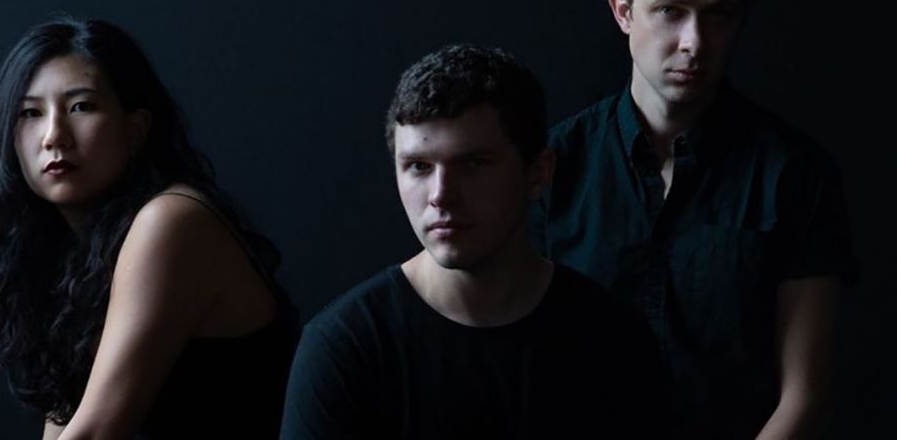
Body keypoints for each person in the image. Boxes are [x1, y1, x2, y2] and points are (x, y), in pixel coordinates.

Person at [532, 0, 856, 438]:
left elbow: (806, 397)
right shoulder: (549, 166)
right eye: (671, 11)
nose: (694, 42)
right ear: (622, 10)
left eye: (718, 14)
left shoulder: (796, 173)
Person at [281, 44, 664, 439]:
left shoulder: (613, 340)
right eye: (419, 167)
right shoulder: (344, 349)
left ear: (538, 173)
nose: (440, 195)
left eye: (473, 164)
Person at [0, 17, 298, 439]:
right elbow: (64, 425)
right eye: (30, 113)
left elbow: (93, 433)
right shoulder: (76, 257)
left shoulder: (171, 221)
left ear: (134, 129)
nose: (53, 136)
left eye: (81, 106)